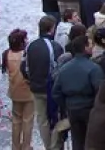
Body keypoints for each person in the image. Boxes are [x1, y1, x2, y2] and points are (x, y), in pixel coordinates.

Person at [52, 35, 105, 150]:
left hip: (73, 110)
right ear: (85, 48)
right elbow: (100, 92)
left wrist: (66, 105)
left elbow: (56, 92)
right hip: (89, 109)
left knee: (77, 140)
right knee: (92, 142)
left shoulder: (64, 69)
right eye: (90, 45)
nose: (92, 47)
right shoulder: (94, 68)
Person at [23, 15, 64, 150]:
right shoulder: (55, 46)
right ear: (52, 29)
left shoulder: (31, 46)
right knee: (55, 118)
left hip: (36, 88)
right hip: (51, 89)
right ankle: (55, 146)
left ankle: (48, 146)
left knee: (42, 120)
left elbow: (25, 67)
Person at [4, 29, 35, 150]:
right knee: (28, 120)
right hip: (27, 90)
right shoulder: (27, 55)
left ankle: (15, 146)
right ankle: (26, 145)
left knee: (16, 120)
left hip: (14, 90)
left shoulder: (7, 53)